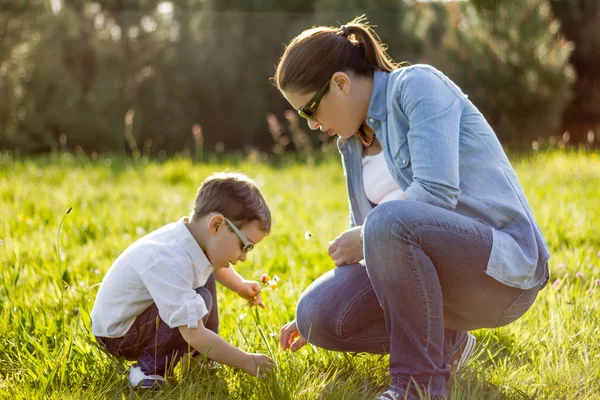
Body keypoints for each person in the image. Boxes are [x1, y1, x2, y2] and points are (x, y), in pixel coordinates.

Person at [274, 17, 550, 400]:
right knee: (317, 314)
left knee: (384, 223)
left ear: (341, 82)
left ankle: (416, 387)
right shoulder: (352, 145)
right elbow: (383, 253)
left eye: (309, 110)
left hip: (501, 273)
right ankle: (450, 345)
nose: (313, 125)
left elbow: (435, 192)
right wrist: (322, 312)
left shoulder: (417, 86)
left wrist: (366, 233)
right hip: (431, 278)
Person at [91, 172, 275, 389]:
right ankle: (148, 370)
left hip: (134, 319)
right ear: (216, 225)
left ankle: (201, 358)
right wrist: (245, 360)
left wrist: (238, 284)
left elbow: (212, 268)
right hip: (119, 334)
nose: (244, 256)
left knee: (201, 287)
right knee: (190, 308)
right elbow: (192, 332)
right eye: (245, 245)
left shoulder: (192, 240)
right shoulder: (170, 259)